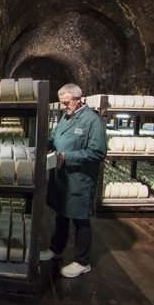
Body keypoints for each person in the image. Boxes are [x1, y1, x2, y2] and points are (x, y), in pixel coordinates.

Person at [40, 83, 106, 278]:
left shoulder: (92, 121)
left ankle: (82, 261)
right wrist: (41, 142)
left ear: (78, 100)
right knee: (61, 214)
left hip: (80, 179)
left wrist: (66, 157)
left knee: (80, 220)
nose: (64, 107)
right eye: (62, 103)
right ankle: (56, 249)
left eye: (67, 103)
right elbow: (54, 137)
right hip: (62, 177)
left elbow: (97, 152)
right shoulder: (66, 117)